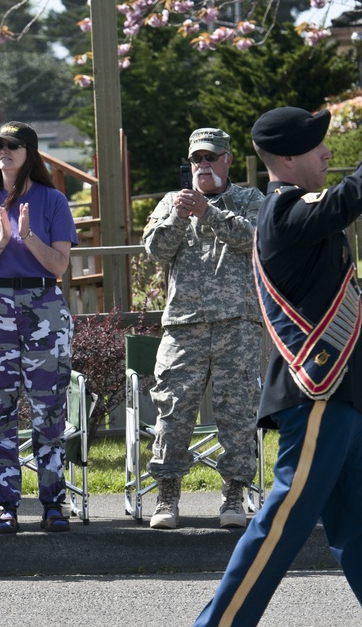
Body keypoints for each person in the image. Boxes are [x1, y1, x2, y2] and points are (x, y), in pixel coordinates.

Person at [194, 69, 362, 626]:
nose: (328, 151)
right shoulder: (283, 213)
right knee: (280, 526)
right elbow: (360, 189)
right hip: (318, 398)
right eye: (316, 145)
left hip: (350, 399)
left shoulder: (300, 211)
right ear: (285, 161)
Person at [0, 121, 78, 534]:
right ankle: (6, 504)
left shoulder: (53, 200)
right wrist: (4, 240)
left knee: (49, 410)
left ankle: (53, 504)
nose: (3, 151)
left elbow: (60, 266)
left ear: (29, 151)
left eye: (12, 145)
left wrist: (28, 235)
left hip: (44, 304)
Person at [142, 128, 264, 530]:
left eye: (211, 157)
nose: (203, 165)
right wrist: (180, 214)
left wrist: (207, 212)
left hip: (237, 324)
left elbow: (254, 239)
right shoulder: (170, 204)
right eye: (197, 159)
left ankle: (233, 496)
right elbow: (156, 251)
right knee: (172, 413)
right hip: (184, 326)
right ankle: (167, 496)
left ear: (228, 159)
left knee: (238, 413)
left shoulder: (249, 199)